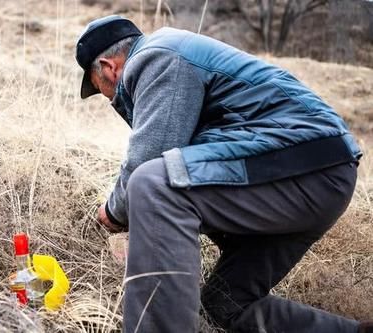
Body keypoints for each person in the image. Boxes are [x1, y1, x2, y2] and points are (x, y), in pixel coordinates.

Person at [75, 15, 370, 333]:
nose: (108, 98)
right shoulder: (174, 52)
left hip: (301, 165)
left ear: (108, 68)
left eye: (100, 89)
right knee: (226, 305)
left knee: (154, 184)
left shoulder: (157, 55)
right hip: (318, 174)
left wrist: (114, 211)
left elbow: (149, 159)